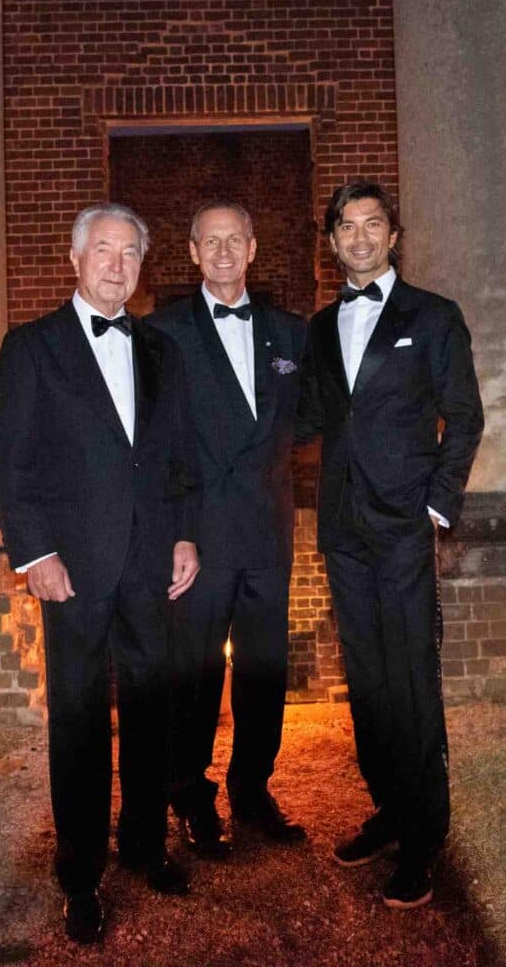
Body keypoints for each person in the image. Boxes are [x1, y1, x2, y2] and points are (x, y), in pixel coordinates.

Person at [0, 202, 201, 944]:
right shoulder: (32, 347)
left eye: (130, 253)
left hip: (149, 566)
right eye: (103, 251)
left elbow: (175, 461)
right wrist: (35, 555)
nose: (117, 265)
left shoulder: (160, 351)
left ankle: (144, 847)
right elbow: (7, 463)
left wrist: (184, 539)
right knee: (78, 723)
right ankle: (79, 875)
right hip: (70, 571)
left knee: (150, 713)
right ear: (75, 261)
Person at [296, 179, 484, 909]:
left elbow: (462, 418)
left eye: (373, 225)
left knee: (409, 682)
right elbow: (306, 417)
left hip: (404, 526)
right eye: (346, 227)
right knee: (366, 681)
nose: (360, 238)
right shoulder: (318, 329)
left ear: (393, 235)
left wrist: (436, 507)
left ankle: (423, 838)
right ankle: (387, 807)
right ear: (332, 241)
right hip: (341, 529)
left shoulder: (433, 318)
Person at [147, 200, 308, 859]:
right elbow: (153, 444)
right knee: (194, 672)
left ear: (251, 247)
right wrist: (173, 532)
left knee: (264, 671)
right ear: (190, 251)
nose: (220, 252)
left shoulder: (293, 334)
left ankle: (252, 789)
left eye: (232, 240)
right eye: (208, 241)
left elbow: (313, 420)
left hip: (267, 533)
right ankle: (188, 794)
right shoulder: (160, 335)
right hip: (199, 534)